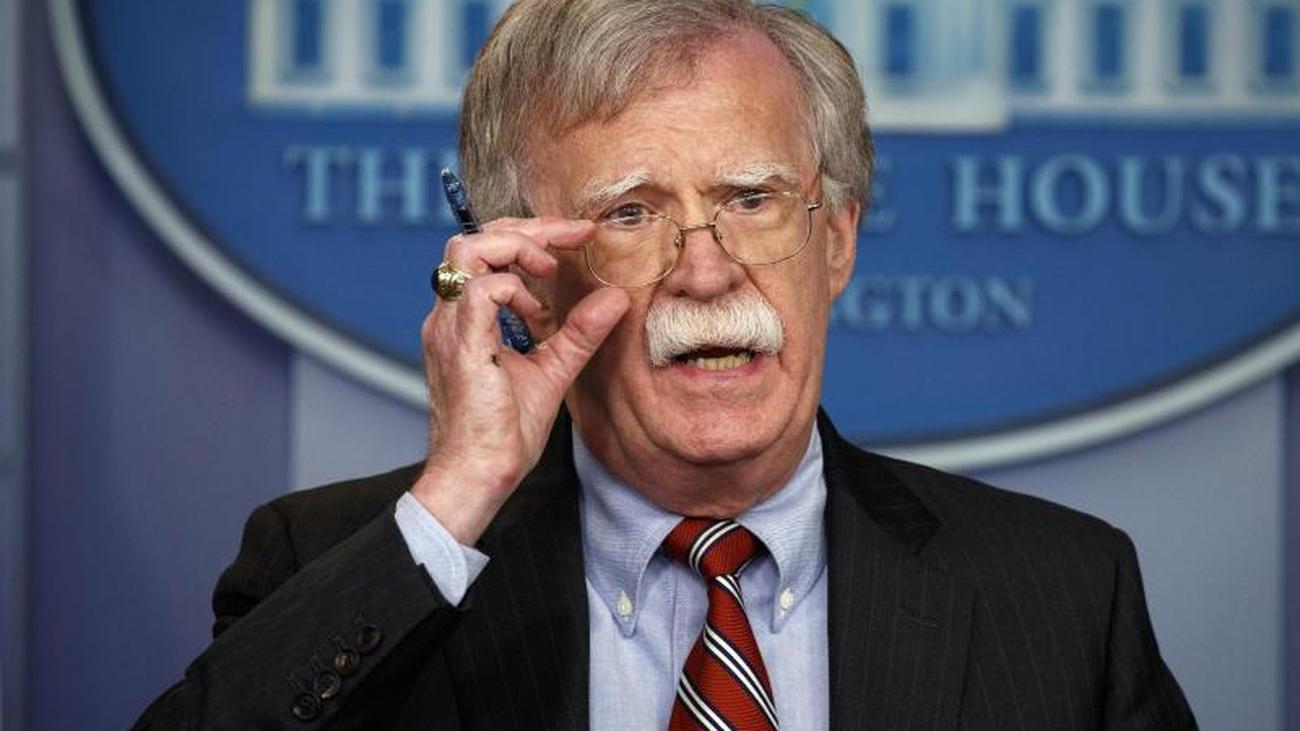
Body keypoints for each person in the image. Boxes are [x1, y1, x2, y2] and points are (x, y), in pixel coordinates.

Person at [134, 1, 1196, 728]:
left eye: (752, 198)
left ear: (837, 240)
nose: (707, 269)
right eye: (631, 213)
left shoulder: (1062, 592)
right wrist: (459, 494)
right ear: (527, 272)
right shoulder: (333, 561)